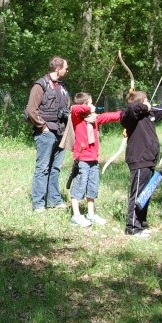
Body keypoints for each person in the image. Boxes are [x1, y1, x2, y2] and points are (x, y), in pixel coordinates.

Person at [121, 90, 162, 237]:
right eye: (146, 100)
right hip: (139, 159)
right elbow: (132, 108)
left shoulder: (149, 115)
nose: (149, 103)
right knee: (137, 194)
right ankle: (132, 227)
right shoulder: (129, 116)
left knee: (146, 193)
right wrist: (145, 107)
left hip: (149, 159)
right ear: (141, 102)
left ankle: (141, 224)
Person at [67, 92, 121, 227]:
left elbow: (108, 116)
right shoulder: (77, 117)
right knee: (79, 186)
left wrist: (127, 113)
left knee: (92, 186)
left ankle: (91, 214)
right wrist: (88, 107)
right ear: (84, 104)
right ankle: (76, 215)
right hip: (82, 158)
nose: (93, 106)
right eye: (90, 103)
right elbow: (74, 108)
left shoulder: (94, 118)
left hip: (93, 158)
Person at [25, 56, 71, 212]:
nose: (67, 70)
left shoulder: (63, 86)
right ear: (58, 69)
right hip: (46, 132)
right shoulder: (40, 85)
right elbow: (31, 110)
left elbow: (67, 108)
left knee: (56, 168)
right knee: (43, 168)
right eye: (66, 67)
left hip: (61, 131)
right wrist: (42, 126)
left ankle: (54, 200)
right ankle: (38, 203)